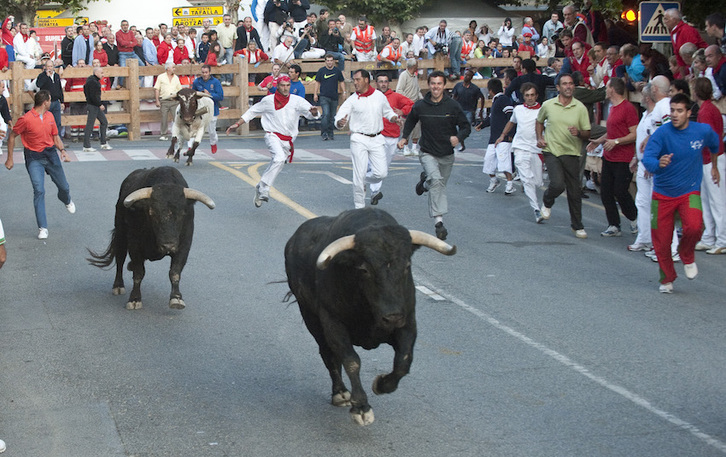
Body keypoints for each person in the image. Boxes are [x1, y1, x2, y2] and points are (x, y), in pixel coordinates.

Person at [641, 93, 721, 293]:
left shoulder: (701, 131)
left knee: (694, 226)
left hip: (689, 191)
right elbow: (648, 158)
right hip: (662, 194)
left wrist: (714, 167)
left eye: (679, 111)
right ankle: (667, 278)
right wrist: (658, 163)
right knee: (661, 240)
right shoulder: (662, 134)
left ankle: (686, 254)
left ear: (688, 112)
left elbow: (715, 144)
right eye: (672, 111)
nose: (674, 115)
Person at [226, 76, 319, 207]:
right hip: (272, 135)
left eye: (287, 85)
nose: (285, 88)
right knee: (279, 158)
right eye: (282, 85)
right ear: (277, 86)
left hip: (288, 140)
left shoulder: (297, 101)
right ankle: (264, 188)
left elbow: (311, 113)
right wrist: (237, 124)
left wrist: (315, 113)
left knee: (278, 163)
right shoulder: (268, 101)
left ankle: (260, 186)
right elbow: (252, 111)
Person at [398, 71, 470, 240]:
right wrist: (404, 138)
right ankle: (439, 223)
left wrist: (458, 138)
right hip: (427, 151)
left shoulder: (452, 106)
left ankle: (424, 183)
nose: (436, 87)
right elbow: (411, 121)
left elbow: (466, 126)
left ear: (444, 86)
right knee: (437, 183)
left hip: (446, 153)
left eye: (439, 84)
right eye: (433, 83)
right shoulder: (421, 105)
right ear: (428, 85)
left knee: (438, 184)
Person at [5, 91, 76, 240]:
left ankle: (66, 199)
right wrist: (9, 158)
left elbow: (55, 137)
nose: (51, 102)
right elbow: (12, 136)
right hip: (34, 158)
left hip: (50, 154)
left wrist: (63, 151)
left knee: (64, 187)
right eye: (50, 100)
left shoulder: (50, 116)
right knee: (39, 190)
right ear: (46, 102)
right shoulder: (26, 119)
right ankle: (43, 227)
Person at [536, 73, 591, 238]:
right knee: (558, 184)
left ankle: (577, 226)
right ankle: (547, 201)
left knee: (574, 191)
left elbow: (587, 132)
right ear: (558, 88)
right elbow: (539, 121)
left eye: (571, 84)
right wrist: (540, 137)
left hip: (572, 152)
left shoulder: (580, 107)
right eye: (565, 84)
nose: (568, 86)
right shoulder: (548, 105)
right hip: (552, 150)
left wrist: (578, 132)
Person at [335, 69, 398, 208]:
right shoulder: (352, 100)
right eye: (354, 80)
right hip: (359, 139)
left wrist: (394, 118)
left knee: (381, 173)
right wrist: (339, 123)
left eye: (357, 80)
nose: (355, 83)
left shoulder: (379, 96)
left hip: (377, 139)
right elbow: (340, 116)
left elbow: (387, 111)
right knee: (358, 174)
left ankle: (362, 180)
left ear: (366, 80)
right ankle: (359, 207)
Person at [586, 77, 639, 237]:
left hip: (623, 157)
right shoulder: (612, 107)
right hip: (609, 156)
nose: (605, 90)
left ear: (612, 89)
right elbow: (613, 131)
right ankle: (614, 224)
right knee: (606, 191)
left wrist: (616, 142)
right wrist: (599, 141)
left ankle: (635, 219)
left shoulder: (628, 108)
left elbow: (634, 134)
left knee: (620, 191)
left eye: (607, 87)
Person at [494, 82, 544, 222]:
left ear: (536, 96)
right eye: (527, 95)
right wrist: (502, 135)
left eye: (532, 95)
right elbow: (511, 122)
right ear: (523, 96)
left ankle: (527, 183)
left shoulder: (542, 110)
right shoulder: (518, 109)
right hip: (520, 147)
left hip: (536, 149)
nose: (529, 98)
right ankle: (536, 210)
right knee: (527, 180)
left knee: (537, 182)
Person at [367, 73, 414, 205]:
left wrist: (402, 111)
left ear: (389, 83)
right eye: (380, 81)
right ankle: (375, 192)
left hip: (392, 137)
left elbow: (411, 104)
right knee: (374, 164)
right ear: (376, 83)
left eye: (385, 81)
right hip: (376, 136)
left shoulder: (395, 97)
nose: (383, 84)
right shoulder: (371, 96)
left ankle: (365, 182)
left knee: (383, 169)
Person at [692, 77, 726, 254]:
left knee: (717, 200)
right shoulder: (707, 109)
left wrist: (713, 166)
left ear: (696, 92)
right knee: (706, 199)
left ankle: (722, 239)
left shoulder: (706, 111)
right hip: (708, 159)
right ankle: (709, 236)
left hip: (713, 159)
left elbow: (713, 140)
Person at [479, 78, 515, 194]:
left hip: (503, 138)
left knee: (504, 162)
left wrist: (510, 133)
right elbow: (492, 118)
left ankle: (509, 184)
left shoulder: (503, 99)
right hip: (494, 137)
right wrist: (483, 124)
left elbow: (511, 117)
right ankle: (494, 180)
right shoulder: (496, 101)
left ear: (490, 90)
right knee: (488, 161)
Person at [190, 64, 224, 154]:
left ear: (210, 72)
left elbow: (220, 96)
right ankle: (190, 147)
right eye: (203, 72)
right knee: (194, 128)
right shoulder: (197, 82)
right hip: (199, 110)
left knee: (211, 131)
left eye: (206, 72)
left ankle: (213, 143)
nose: (204, 74)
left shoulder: (215, 82)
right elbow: (192, 94)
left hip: (212, 110)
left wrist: (209, 94)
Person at [664, 8, 708, 78]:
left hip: (700, 66)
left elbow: (692, 53)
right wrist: (683, 77)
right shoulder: (674, 32)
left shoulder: (687, 30)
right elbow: (679, 57)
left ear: (674, 20)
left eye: (666, 19)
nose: (664, 22)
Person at [314, 54, 345, 141]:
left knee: (332, 116)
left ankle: (330, 133)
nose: (329, 62)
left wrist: (344, 92)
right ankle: (324, 133)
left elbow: (341, 81)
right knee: (326, 114)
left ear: (334, 61)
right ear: (325, 61)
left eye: (331, 60)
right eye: (327, 60)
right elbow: (317, 82)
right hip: (324, 96)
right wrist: (315, 94)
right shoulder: (321, 71)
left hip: (334, 96)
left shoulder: (337, 71)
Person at [396, 58, 423, 156]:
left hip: (415, 105)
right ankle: (406, 147)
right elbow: (399, 90)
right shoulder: (404, 75)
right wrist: (406, 101)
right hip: (406, 105)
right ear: (413, 66)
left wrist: (422, 100)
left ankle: (415, 147)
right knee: (406, 126)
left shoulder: (415, 76)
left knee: (417, 126)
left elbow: (417, 90)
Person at [82, 66, 111, 153]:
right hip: (93, 105)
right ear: (96, 73)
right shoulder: (94, 82)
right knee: (90, 125)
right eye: (101, 73)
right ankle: (86, 146)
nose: (103, 75)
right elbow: (94, 96)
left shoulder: (89, 80)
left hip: (93, 105)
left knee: (104, 122)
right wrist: (99, 104)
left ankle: (103, 143)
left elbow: (85, 91)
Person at [154, 62, 182, 141]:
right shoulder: (161, 77)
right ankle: (163, 134)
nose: (174, 69)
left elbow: (179, 89)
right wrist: (157, 101)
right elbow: (157, 89)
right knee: (164, 118)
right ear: (168, 68)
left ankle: (177, 134)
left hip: (174, 100)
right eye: (173, 67)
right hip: (164, 100)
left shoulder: (176, 77)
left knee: (176, 118)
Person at [34, 60, 65, 133]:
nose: (50, 68)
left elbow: (59, 89)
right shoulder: (42, 76)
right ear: (45, 67)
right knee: (46, 122)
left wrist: (62, 101)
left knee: (57, 122)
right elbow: (39, 85)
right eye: (48, 66)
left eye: (51, 66)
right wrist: (46, 76)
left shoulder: (56, 75)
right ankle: (47, 140)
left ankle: (57, 140)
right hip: (46, 102)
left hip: (56, 101)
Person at [215, 14, 237, 85]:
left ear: (230, 20)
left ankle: (229, 80)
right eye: (226, 19)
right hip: (221, 48)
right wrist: (221, 48)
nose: (227, 21)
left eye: (228, 19)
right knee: (221, 63)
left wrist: (233, 48)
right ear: (223, 20)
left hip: (229, 47)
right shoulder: (219, 26)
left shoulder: (233, 27)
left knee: (230, 63)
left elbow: (235, 38)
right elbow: (217, 38)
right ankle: (222, 79)